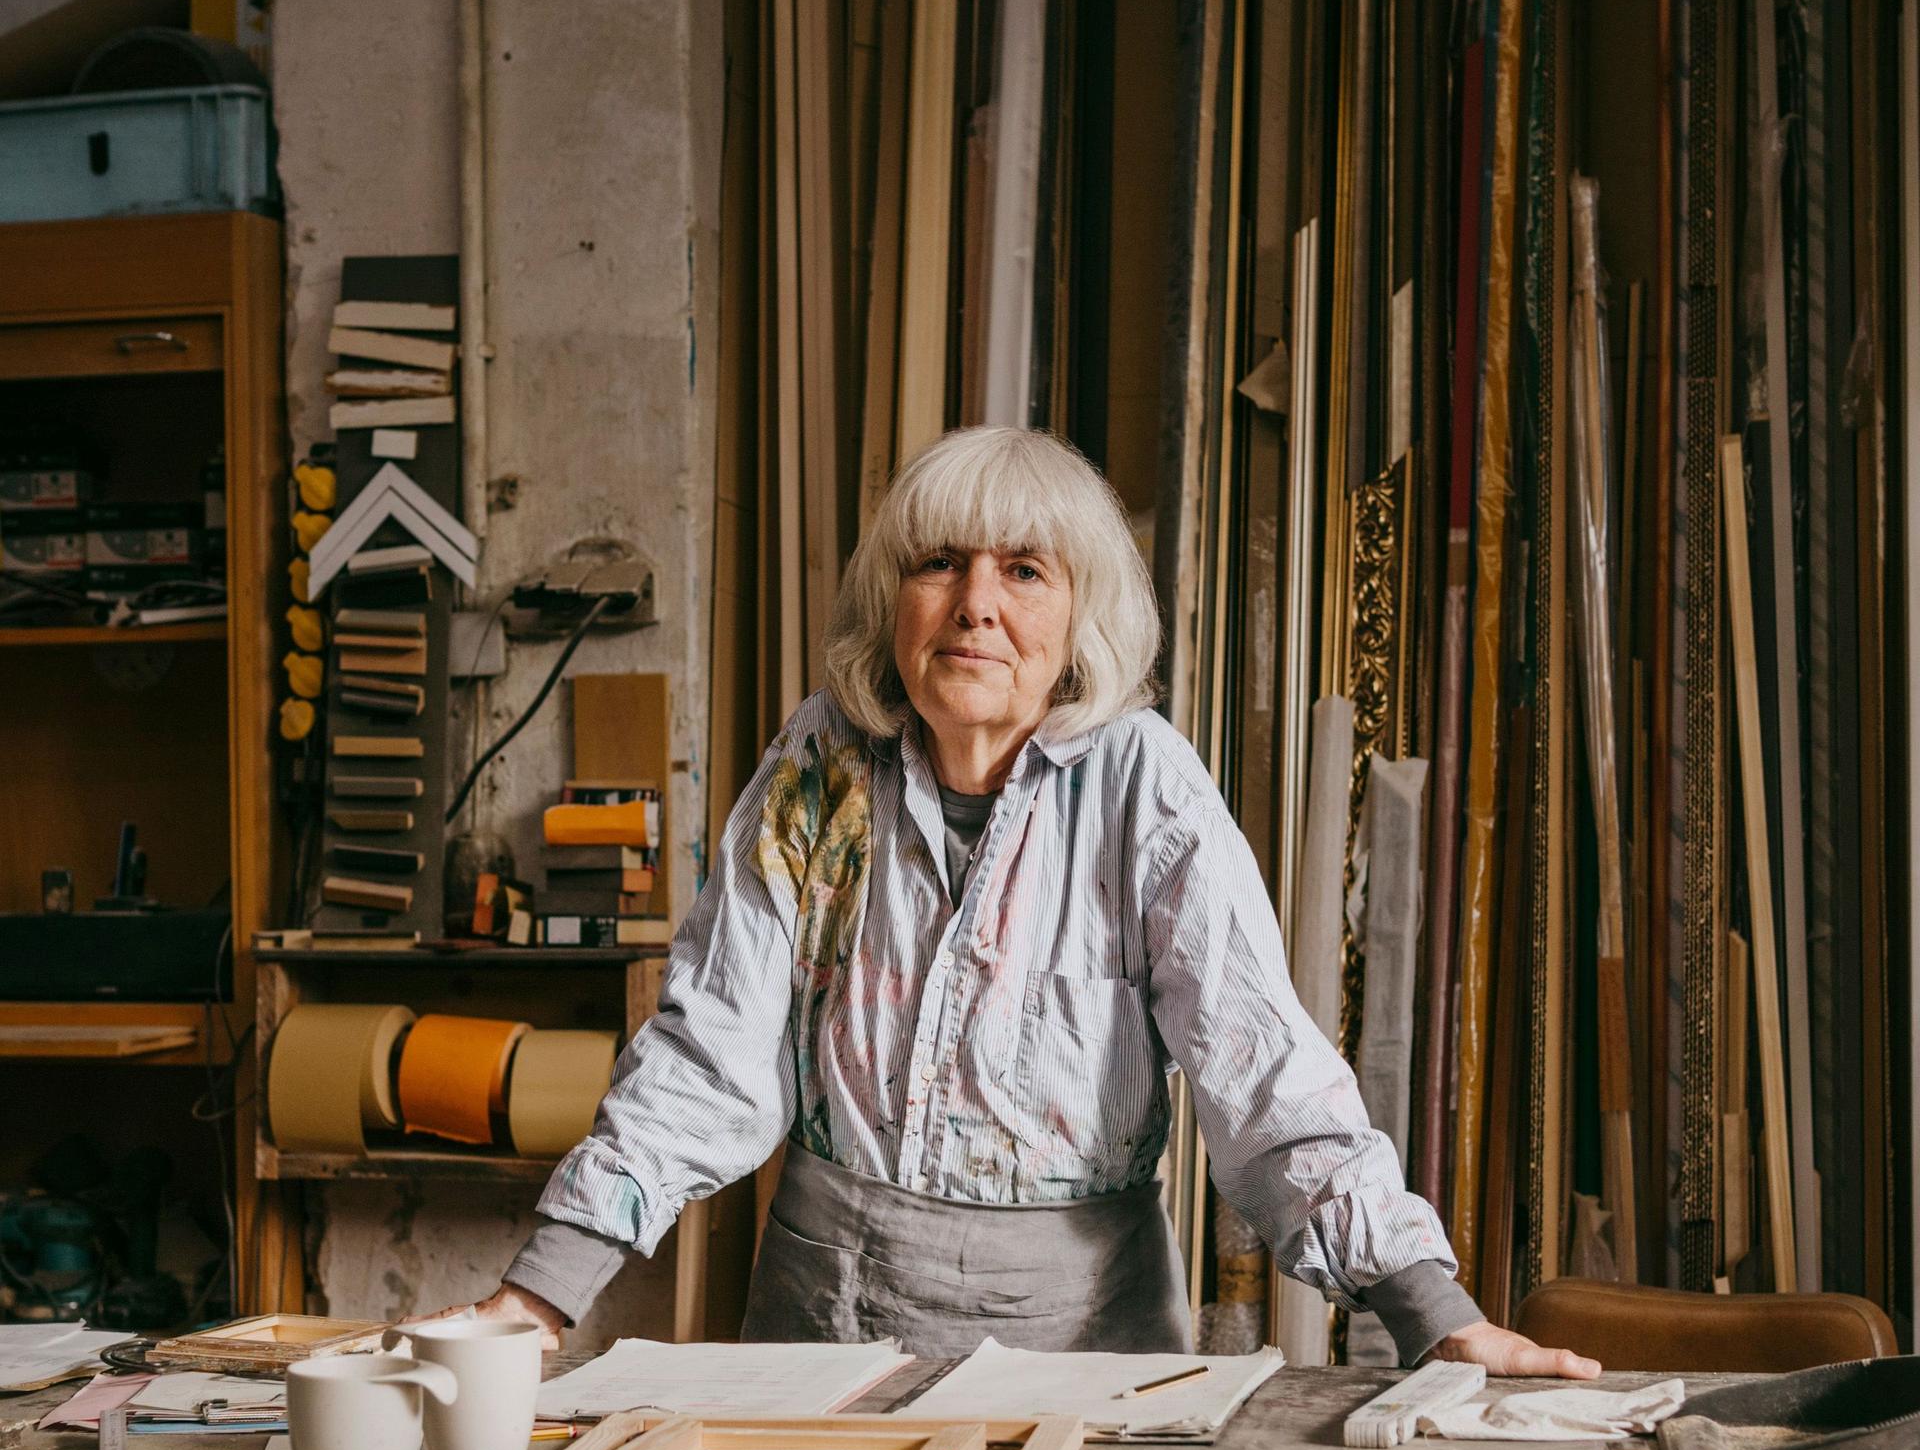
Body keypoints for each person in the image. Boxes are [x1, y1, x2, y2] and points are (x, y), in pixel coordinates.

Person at [443, 427, 1598, 1378]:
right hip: (818, 1327)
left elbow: (1263, 1066)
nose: (975, 604)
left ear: (1079, 624)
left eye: (1024, 571)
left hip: (1083, 1349)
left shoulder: (1144, 780)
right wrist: (541, 1296)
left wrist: (1427, 1308)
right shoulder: (821, 765)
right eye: (940, 562)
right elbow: (712, 1048)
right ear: (893, 602)